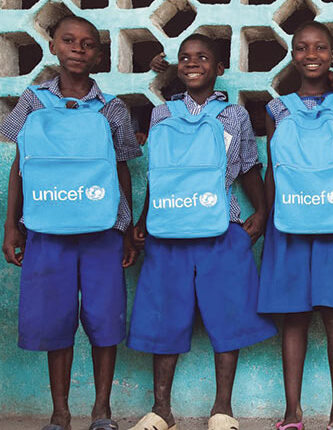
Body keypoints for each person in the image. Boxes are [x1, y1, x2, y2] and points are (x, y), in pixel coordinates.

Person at [126, 33, 277, 430]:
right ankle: (161, 410)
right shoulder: (162, 113)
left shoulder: (235, 116)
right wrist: (143, 220)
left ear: (220, 68)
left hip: (221, 227)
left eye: (203, 57)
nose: (192, 63)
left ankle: (222, 409)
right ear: (177, 66)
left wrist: (262, 212)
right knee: (164, 314)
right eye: (185, 57)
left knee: (228, 316)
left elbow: (248, 167)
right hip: (168, 228)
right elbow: (161, 175)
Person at [1, 15, 140, 430]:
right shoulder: (33, 101)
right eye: (68, 40)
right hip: (46, 229)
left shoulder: (112, 107)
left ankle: (102, 411)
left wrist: (124, 228)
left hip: (102, 230)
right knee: (55, 321)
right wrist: (11, 225)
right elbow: (21, 165)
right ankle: (60, 413)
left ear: (98, 55)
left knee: (104, 320)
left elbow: (121, 169)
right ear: (53, 46)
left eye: (87, 44)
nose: (78, 48)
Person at [257, 21, 333, 430]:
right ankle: (293, 411)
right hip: (288, 221)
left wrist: (332, 74)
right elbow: (274, 168)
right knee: (294, 318)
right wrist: (267, 216)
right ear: (292, 55)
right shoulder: (277, 108)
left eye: (320, 48)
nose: (311, 55)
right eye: (302, 48)